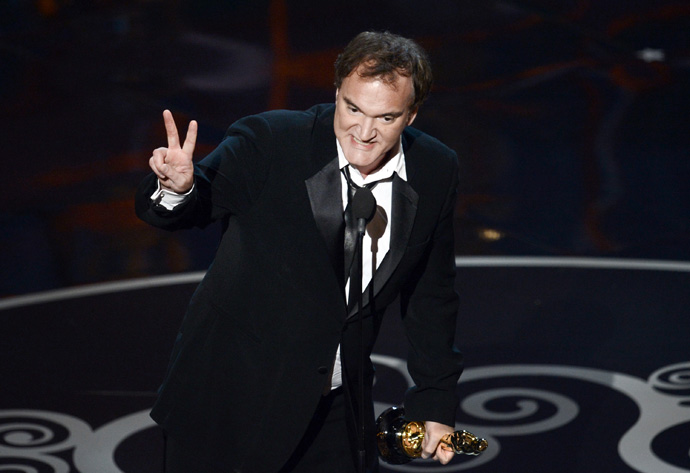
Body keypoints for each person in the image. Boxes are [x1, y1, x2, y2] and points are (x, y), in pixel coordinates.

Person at [135, 31, 464, 472]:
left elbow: (431, 294)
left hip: (337, 411)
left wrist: (435, 400)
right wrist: (178, 188)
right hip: (230, 402)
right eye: (353, 109)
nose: (364, 133)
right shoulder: (272, 142)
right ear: (337, 92)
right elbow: (197, 204)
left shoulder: (434, 169)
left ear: (411, 114)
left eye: (385, 118)